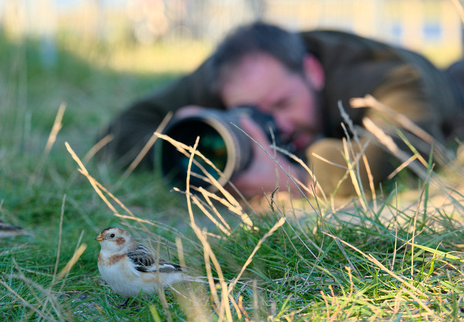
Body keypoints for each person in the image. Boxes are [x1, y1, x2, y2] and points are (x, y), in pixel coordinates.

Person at [99, 22, 464, 198]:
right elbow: (120, 132)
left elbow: (400, 154)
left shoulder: (385, 76)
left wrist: (294, 179)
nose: (279, 124)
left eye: (283, 104)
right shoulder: (233, 72)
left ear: (312, 72)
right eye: (252, 111)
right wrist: (179, 138)